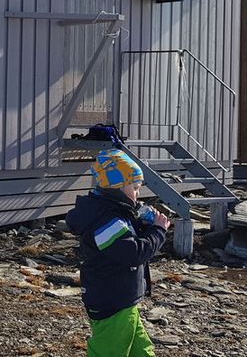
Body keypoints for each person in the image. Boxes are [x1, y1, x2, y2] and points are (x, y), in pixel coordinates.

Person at [66, 148, 171, 356]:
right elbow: (132, 253)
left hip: (124, 299)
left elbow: (127, 242)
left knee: (141, 349)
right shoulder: (105, 221)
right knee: (110, 350)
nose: (137, 194)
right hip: (111, 301)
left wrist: (145, 226)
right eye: (135, 187)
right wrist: (158, 232)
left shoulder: (115, 214)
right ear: (116, 187)